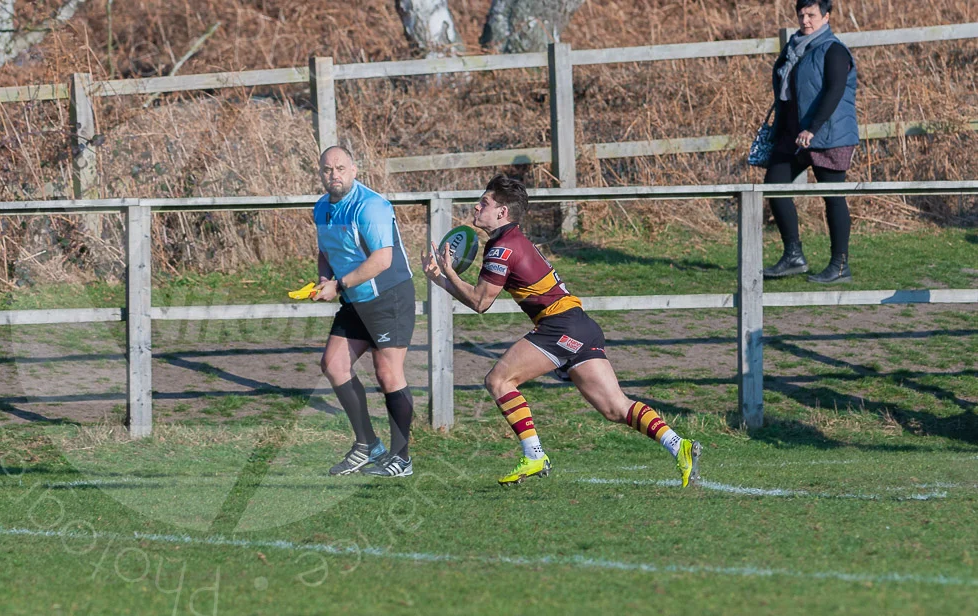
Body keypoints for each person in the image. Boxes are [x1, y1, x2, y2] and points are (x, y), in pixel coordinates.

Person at [421, 175, 701, 487]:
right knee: (615, 408)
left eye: (484, 203)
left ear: (502, 212)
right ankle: (679, 445)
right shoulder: (510, 242)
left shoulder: (501, 248)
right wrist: (441, 279)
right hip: (581, 325)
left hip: (560, 326)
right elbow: (479, 298)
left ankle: (534, 455)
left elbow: (480, 302)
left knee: (499, 381)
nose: (476, 207)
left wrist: (448, 274)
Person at [311, 145, 417, 478]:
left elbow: (382, 260)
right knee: (333, 364)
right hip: (353, 297)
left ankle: (401, 459)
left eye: (340, 168)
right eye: (328, 169)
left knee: (388, 373)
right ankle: (368, 445)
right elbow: (325, 252)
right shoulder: (321, 207)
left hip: (389, 296)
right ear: (320, 173)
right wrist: (324, 280)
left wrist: (338, 285)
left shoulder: (371, 206)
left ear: (354, 170)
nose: (334, 175)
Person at [762, 0, 859, 283]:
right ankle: (793, 256)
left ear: (826, 17)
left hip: (828, 135)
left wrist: (813, 128)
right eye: (801, 15)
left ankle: (840, 266)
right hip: (794, 135)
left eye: (812, 15)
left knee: (832, 197)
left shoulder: (834, 50)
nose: (805, 20)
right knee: (774, 186)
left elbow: (834, 91)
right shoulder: (794, 48)